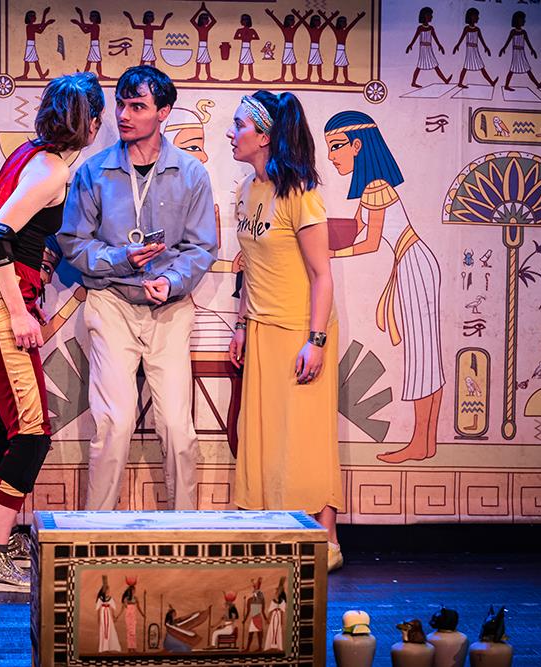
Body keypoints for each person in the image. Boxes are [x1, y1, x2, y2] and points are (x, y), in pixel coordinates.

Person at [0, 72, 104, 592]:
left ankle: (5, 540)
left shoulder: (33, 155)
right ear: (92, 124)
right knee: (32, 433)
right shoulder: (51, 169)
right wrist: (19, 313)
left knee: (14, 427)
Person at [58, 65, 217, 511]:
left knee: (178, 430)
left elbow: (202, 246)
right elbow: (73, 242)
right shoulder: (93, 172)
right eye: (121, 105)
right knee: (115, 423)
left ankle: (186, 532)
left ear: (163, 112)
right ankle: (94, 533)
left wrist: (171, 280)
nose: (124, 115)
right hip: (112, 303)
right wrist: (120, 259)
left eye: (138, 106)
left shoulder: (191, 173)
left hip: (170, 310)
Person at [227, 90, 344, 572]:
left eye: (239, 125)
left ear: (264, 136)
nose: (231, 134)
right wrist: (241, 324)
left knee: (307, 438)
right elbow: (251, 267)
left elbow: (322, 275)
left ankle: (326, 539)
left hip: (300, 330)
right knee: (264, 439)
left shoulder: (300, 193)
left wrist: (315, 342)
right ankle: (271, 533)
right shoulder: (246, 190)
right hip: (261, 329)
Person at [323, 110, 444, 467]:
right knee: (425, 354)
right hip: (411, 263)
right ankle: (425, 442)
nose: (331, 156)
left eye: (336, 146)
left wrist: (331, 253)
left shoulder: (377, 187)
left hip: (413, 264)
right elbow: (354, 230)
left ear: (358, 145)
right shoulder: (370, 188)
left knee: (423, 355)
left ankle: (420, 442)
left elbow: (370, 243)